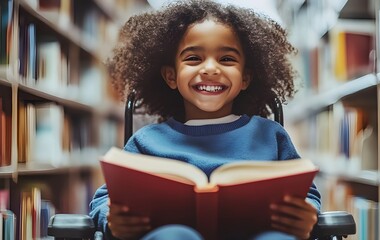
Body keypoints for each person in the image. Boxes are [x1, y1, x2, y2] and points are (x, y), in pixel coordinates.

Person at [89, 0, 321, 239]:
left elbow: (307, 194)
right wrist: (112, 219)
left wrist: (307, 214)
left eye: (227, 59)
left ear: (245, 78)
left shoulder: (270, 136)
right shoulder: (145, 142)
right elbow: (104, 199)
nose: (210, 69)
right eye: (193, 58)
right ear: (171, 76)